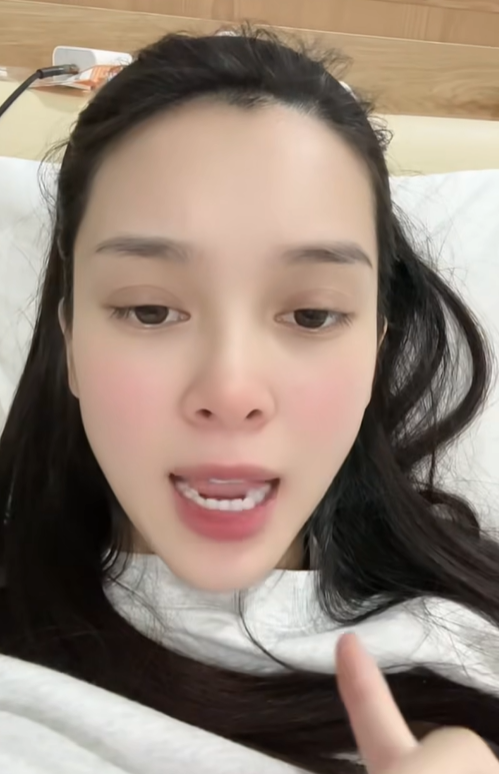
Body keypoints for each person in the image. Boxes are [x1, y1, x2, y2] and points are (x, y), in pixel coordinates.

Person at [0, 24, 498, 774]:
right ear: (69, 341)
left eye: (311, 315)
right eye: (149, 311)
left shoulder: (472, 629)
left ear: (375, 347)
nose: (230, 393)